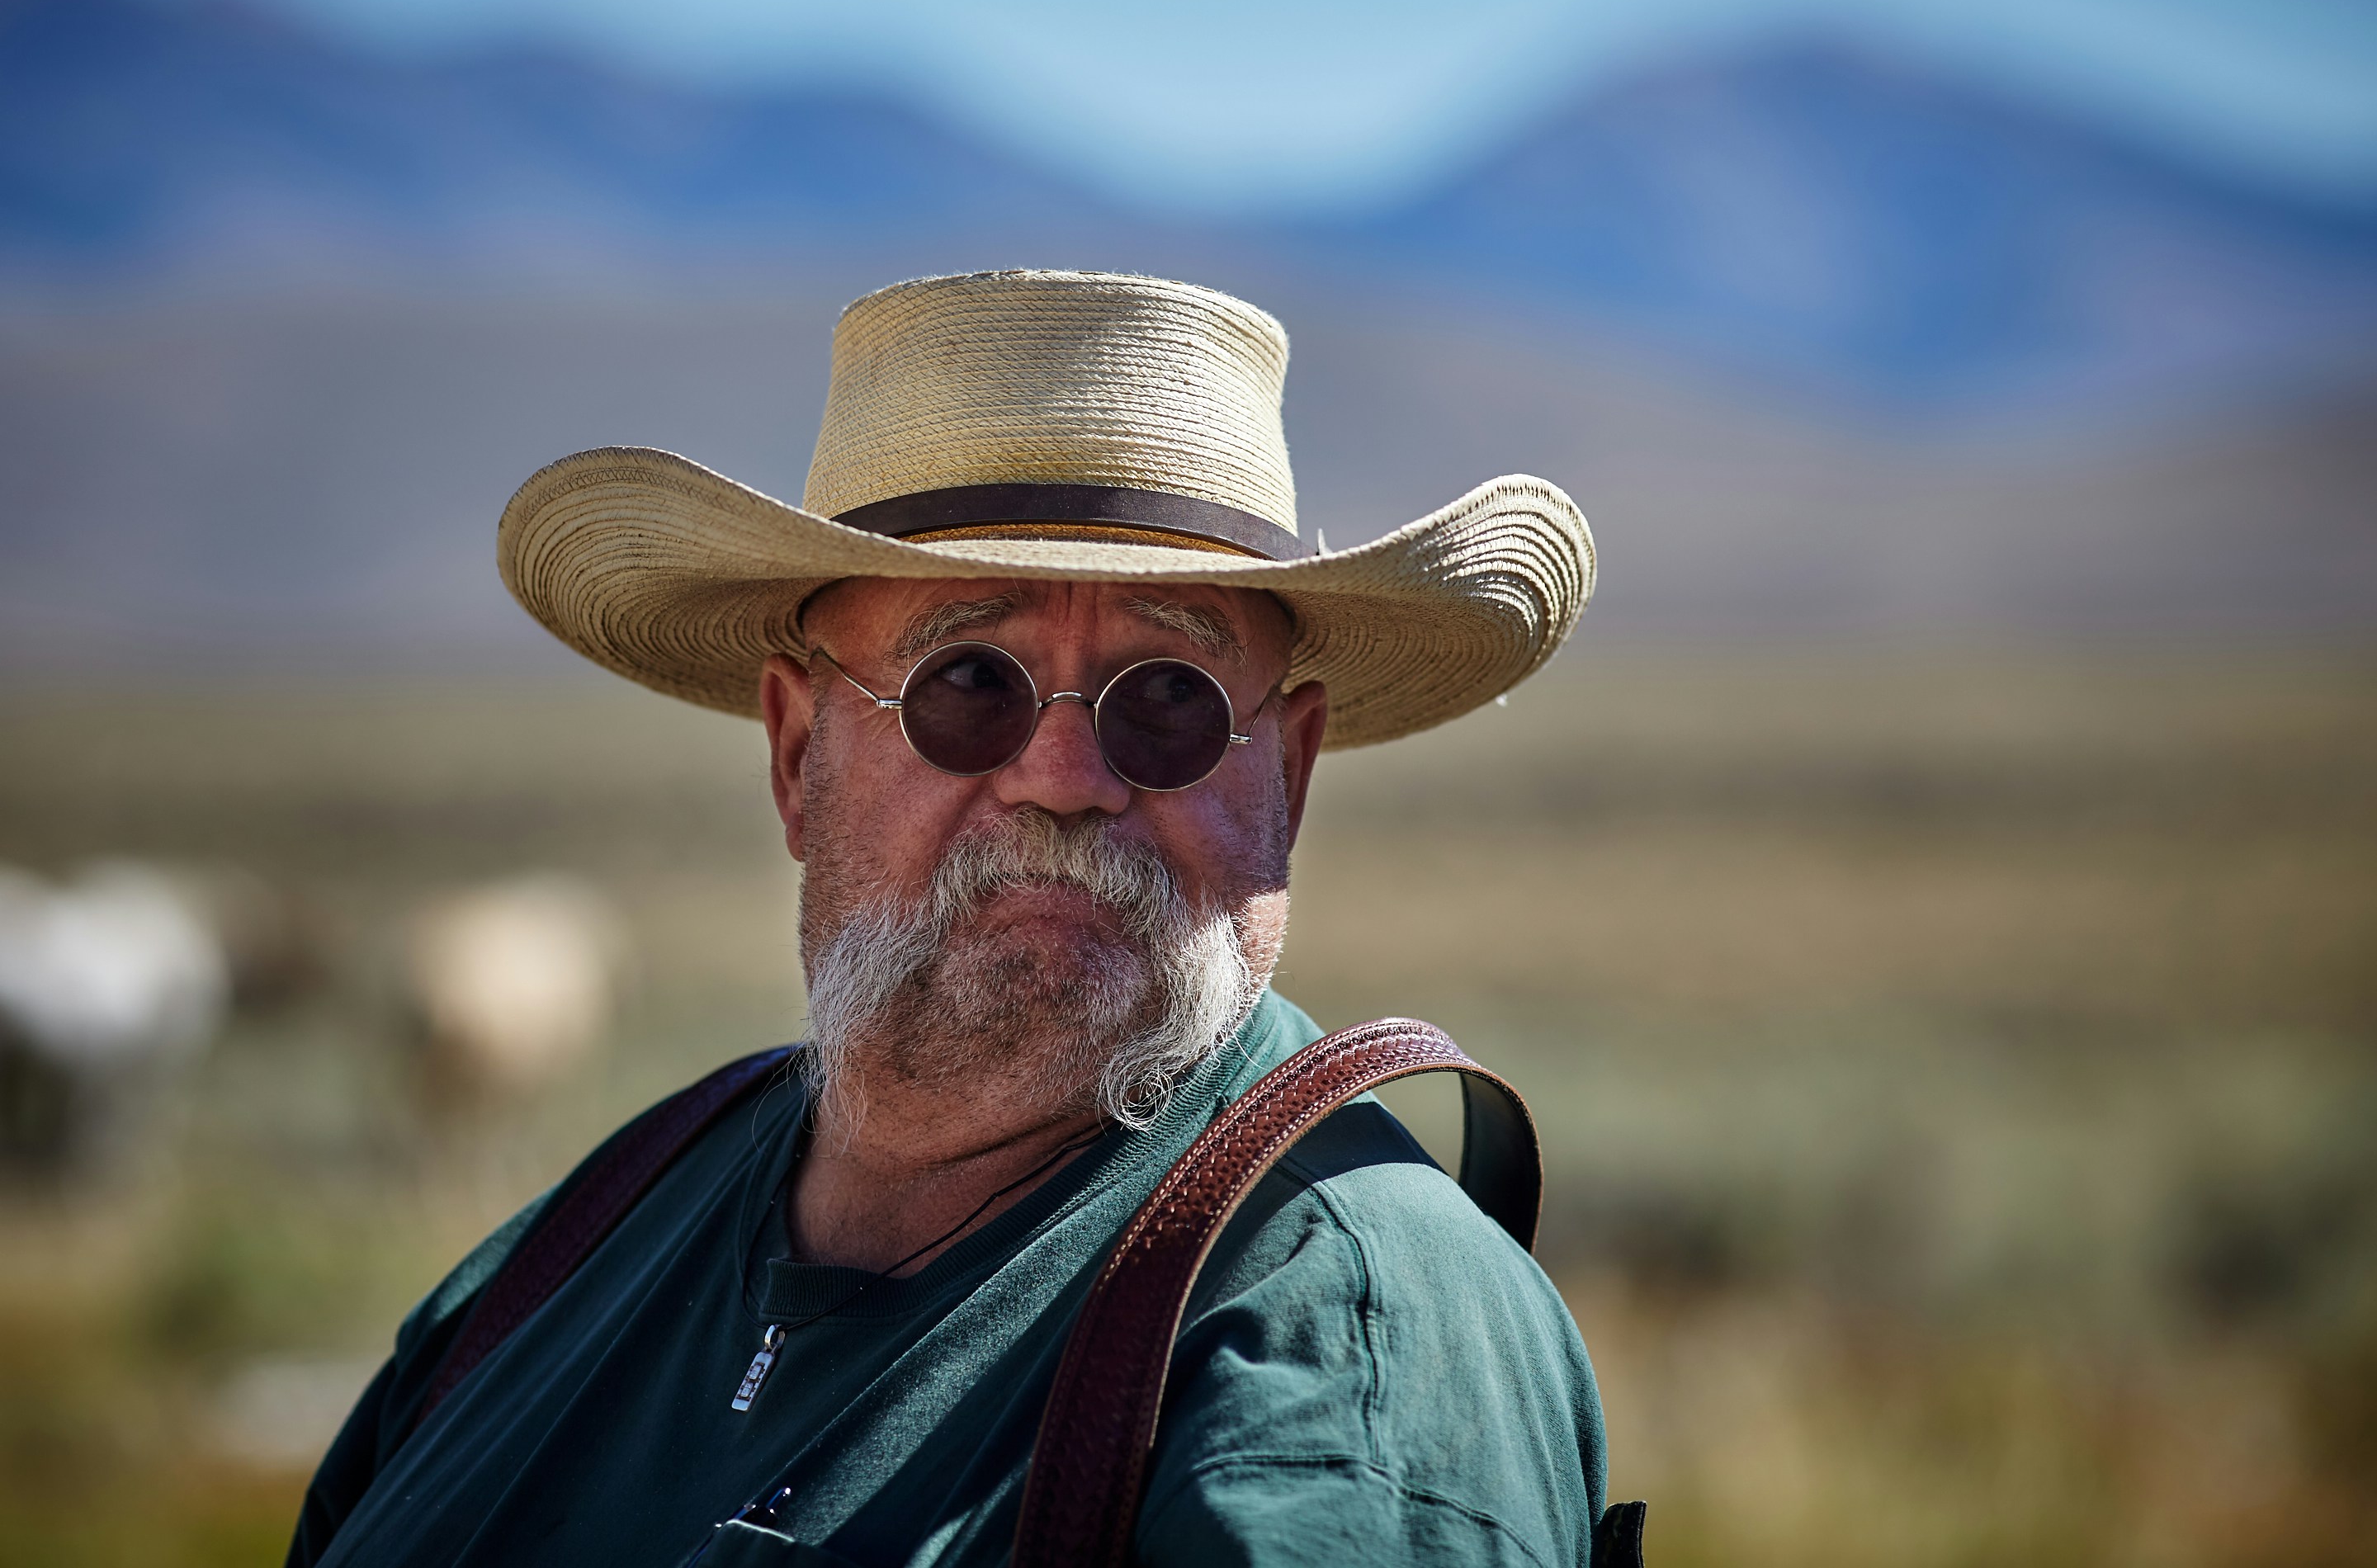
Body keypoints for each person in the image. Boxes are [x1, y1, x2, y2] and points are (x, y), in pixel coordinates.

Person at [290, 269, 1607, 1566]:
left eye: (1170, 700)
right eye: (969, 680)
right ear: (796, 751)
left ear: (1289, 775)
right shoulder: (563, 1262)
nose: (1064, 778)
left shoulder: (1332, 1354)